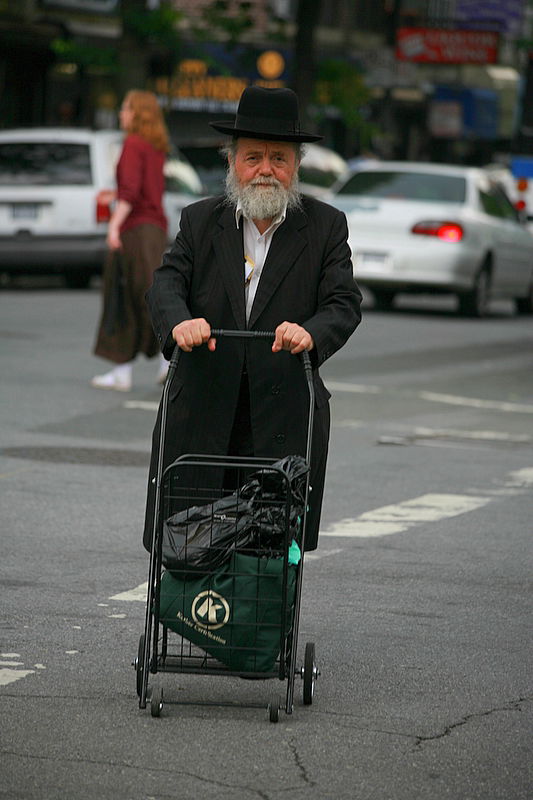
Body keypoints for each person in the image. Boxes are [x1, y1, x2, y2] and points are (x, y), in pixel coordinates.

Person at [143, 86, 362, 552]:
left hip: (282, 409)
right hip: (203, 406)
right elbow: (165, 285)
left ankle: (260, 625)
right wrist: (181, 323)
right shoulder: (200, 220)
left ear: (296, 165)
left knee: (269, 550)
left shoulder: (326, 226)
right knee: (186, 538)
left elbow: (343, 302)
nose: (266, 169)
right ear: (232, 162)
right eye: (253, 157)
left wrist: (310, 333)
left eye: (279, 158)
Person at [91, 89, 170, 392]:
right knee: (143, 293)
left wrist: (114, 226)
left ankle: (161, 359)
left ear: (138, 113)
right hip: (153, 229)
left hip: (135, 230)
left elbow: (131, 192)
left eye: (125, 108)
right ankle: (130, 368)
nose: (121, 113)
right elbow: (146, 189)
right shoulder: (154, 146)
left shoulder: (134, 144)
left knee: (125, 295)